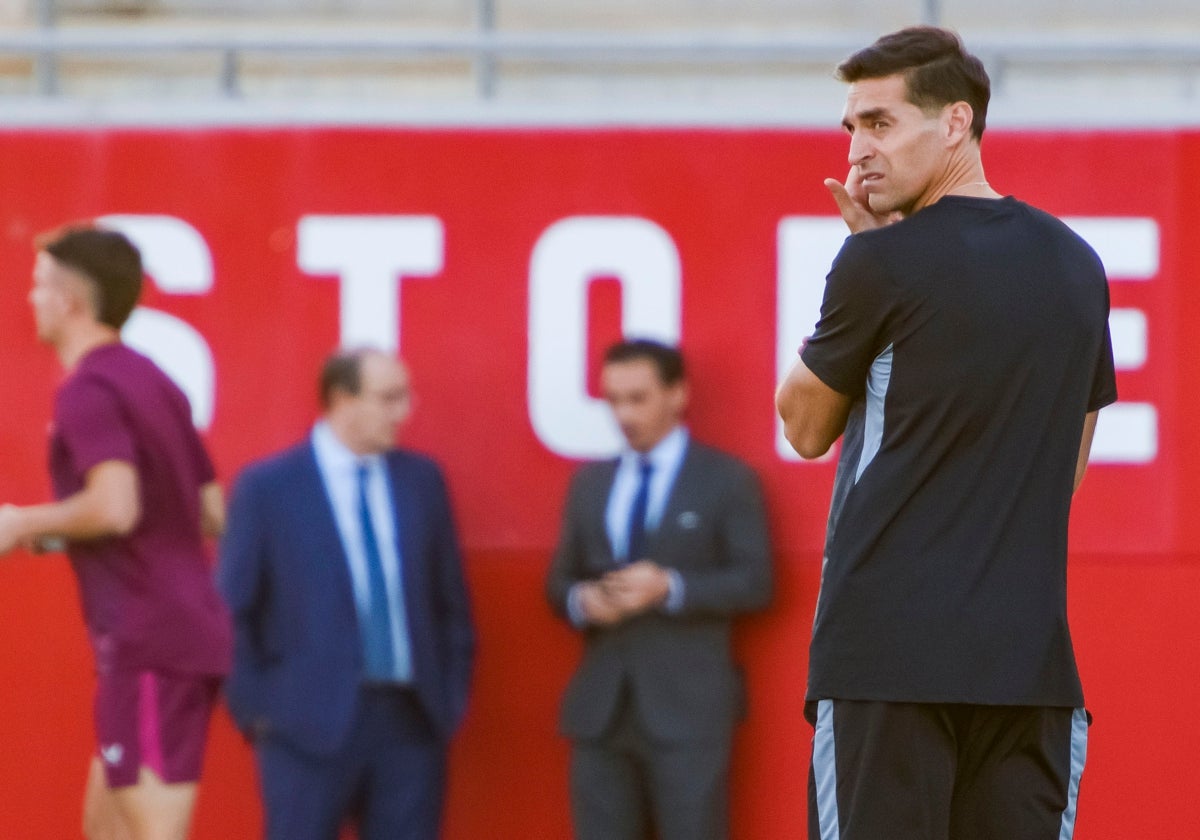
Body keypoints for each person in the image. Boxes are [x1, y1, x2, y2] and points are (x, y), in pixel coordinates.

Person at [774, 26, 1118, 840]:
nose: (859, 149)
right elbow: (1063, 471)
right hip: (1029, 670)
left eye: (881, 123)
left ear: (956, 123)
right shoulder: (1078, 264)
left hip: (885, 662)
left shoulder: (878, 263)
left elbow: (802, 425)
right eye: (851, 127)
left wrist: (865, 270)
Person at [0, 224, 231, 840]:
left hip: (149, 640)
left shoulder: (88, 389)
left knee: (154, 832)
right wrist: (57, 533)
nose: (30, 299)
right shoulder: (153, 381)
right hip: (171, 634)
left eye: (38, 285)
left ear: (70, 301)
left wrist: (22, 522)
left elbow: (115, 507)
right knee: (106, 829)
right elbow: (209, 512)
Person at [217, 347, 474, 840]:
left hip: (409, 723)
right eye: (388, 398)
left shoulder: (421, 481)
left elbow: (450, 604)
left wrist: (448, 699)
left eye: (405, 397)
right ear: (341, 399)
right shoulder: (269, 487)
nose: (403, 411)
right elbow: (230, 610)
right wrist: (259, 711)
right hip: (304, 727)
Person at [546, 338, 773, 840]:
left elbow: (756, 582)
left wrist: (668, 588)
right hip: (601, 710)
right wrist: (582, 602)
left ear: (677, 393)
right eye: (613, 399)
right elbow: (558, 583)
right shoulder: (591, 483)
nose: (624, 413)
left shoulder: (726, 480)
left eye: (637, 397)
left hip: (689, 710)